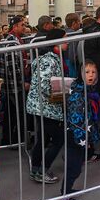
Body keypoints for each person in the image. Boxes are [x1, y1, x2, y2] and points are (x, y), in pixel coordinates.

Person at [57, 60, 100, 200]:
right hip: (75, 137)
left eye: (93, 72)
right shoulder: (78, 93)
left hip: (79, 136)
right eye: (87, 72)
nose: (90, 75)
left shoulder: (86, 90)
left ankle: (67, 191)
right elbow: (76, 120)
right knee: (73, 168)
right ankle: (63, 199)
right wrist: (82, 139)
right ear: (81, 74)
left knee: (76, 167)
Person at [26, 29, 67, 183]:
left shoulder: (50, 58)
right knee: (58, 139)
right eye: (64, 39)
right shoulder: (49, 60)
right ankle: (42, 170)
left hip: (42, 107)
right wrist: (62, 92)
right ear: (55, 43)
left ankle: (36, 169)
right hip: (46, 108)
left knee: (42, 139)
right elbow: (45, 85)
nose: (67, 42)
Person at [0, 15, 31, 145]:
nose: (25, 27)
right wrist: (21, 82)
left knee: (12, 113)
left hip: (15, 84)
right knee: (16, 113)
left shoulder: (18, 39)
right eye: (22, 25)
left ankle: (11, 139)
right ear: (15, 26)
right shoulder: (11, 40)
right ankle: (15, 139)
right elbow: (11, 65)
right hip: (13, 85)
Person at [64, 13, 81, 78]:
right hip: (72, 66)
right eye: (79, 21)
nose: (80, 23)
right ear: (74, 23)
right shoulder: (74, 35)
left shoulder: (63, 33)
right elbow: (72, 55)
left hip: (65, 64)